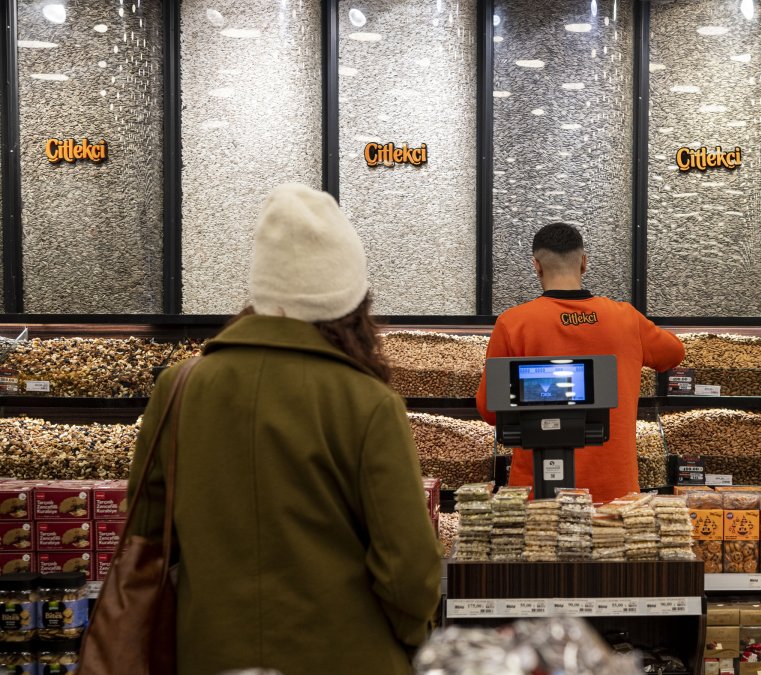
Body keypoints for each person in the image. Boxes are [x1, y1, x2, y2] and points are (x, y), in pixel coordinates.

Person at [124, 184, 442, 675]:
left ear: (260, 285)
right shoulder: (367, 402)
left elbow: (144, 533)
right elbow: (409, 568)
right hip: (348, 657)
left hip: (208, 653)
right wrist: (409, 638)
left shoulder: (180, 388)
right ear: (353, 294)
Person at [476, 223, 685, 503]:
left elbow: (489, 409)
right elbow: (674, 353)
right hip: (615, 493)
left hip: (537, 491)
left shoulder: (513, 323)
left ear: (536, 266)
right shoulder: (625, 318)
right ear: (584, 263)